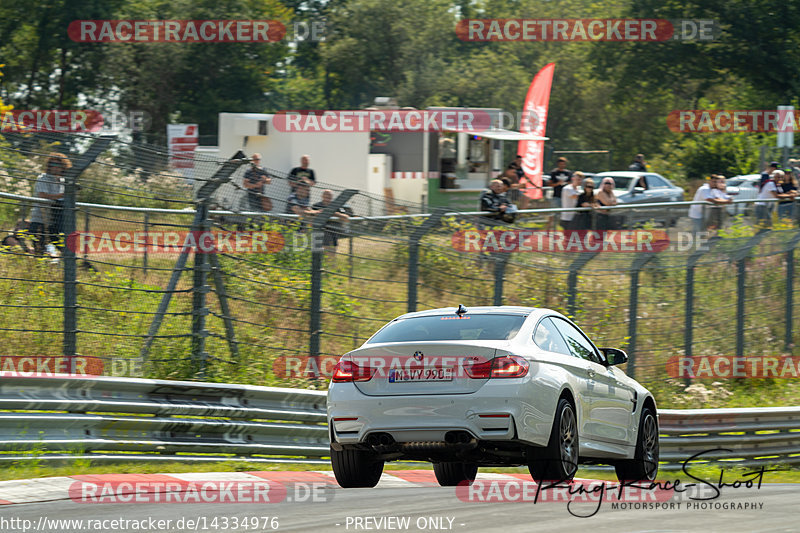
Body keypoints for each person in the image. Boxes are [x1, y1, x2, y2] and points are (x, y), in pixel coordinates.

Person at [30, 152, 70, 257]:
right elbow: (43, 195)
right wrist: (64, 195)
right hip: (40, 220)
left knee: (64, 248)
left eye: (58, 165)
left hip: (54, 222)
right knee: (40, 251)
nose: (55, 168)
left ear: (63, 167)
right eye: (52, 164)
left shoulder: (62, 181)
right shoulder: (43, 178)